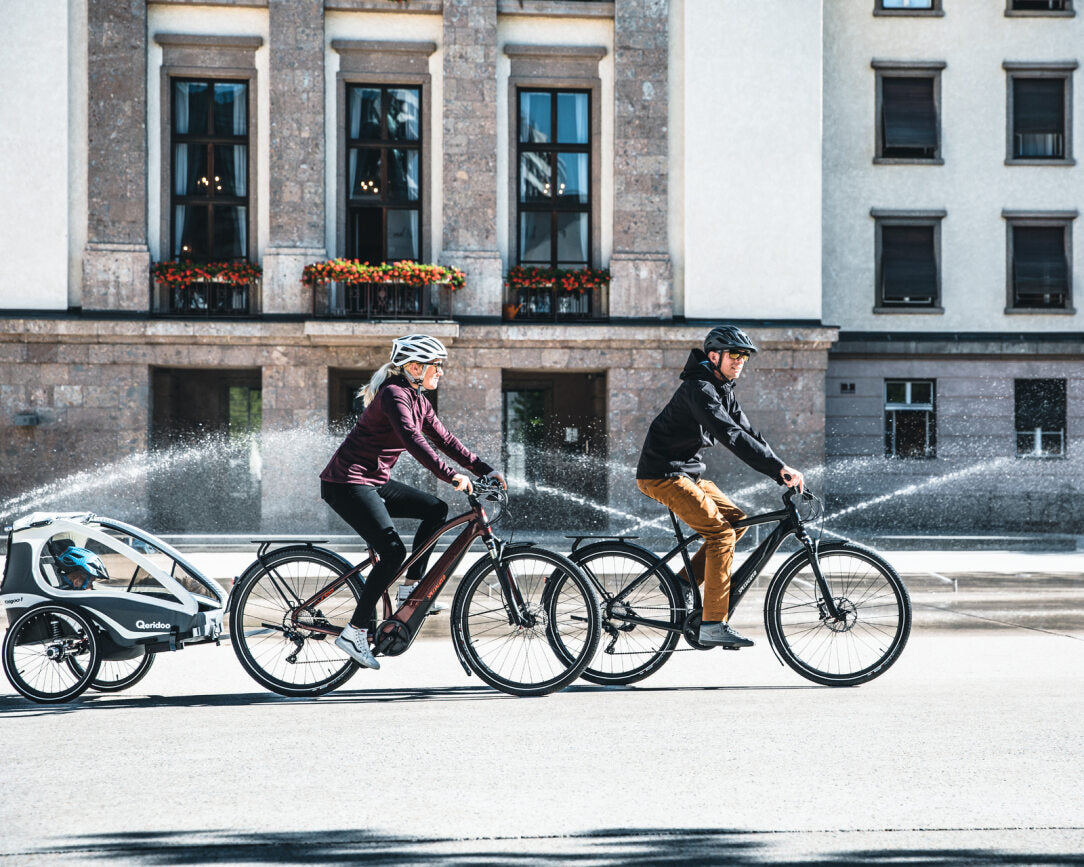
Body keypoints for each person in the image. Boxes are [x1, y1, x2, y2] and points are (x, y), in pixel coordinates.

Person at [321, 334, 505, 670]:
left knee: (435, 509)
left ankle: (410, 589)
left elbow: (445, 439)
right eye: (438, 366)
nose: (441, 372)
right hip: (346, 483)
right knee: (392, 552)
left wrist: (484, 469)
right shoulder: (394, 394)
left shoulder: (417, 398)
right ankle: (354, 631)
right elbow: (413, 439)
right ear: (416, 367)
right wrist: (451, 476)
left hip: (373, 481)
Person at [635, 325, 804, 648]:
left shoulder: (723, 387)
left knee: (736, 522)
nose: (741, 360)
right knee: (720, 534)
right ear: (714, 355)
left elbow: (749, 432)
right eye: (735, 354)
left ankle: (682, 583)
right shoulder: (699, 388)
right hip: (662, 474)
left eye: (744, 356)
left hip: (687, 474)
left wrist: (780, 468)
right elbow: (730, 435)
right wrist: (775, 469)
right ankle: (713, 622)